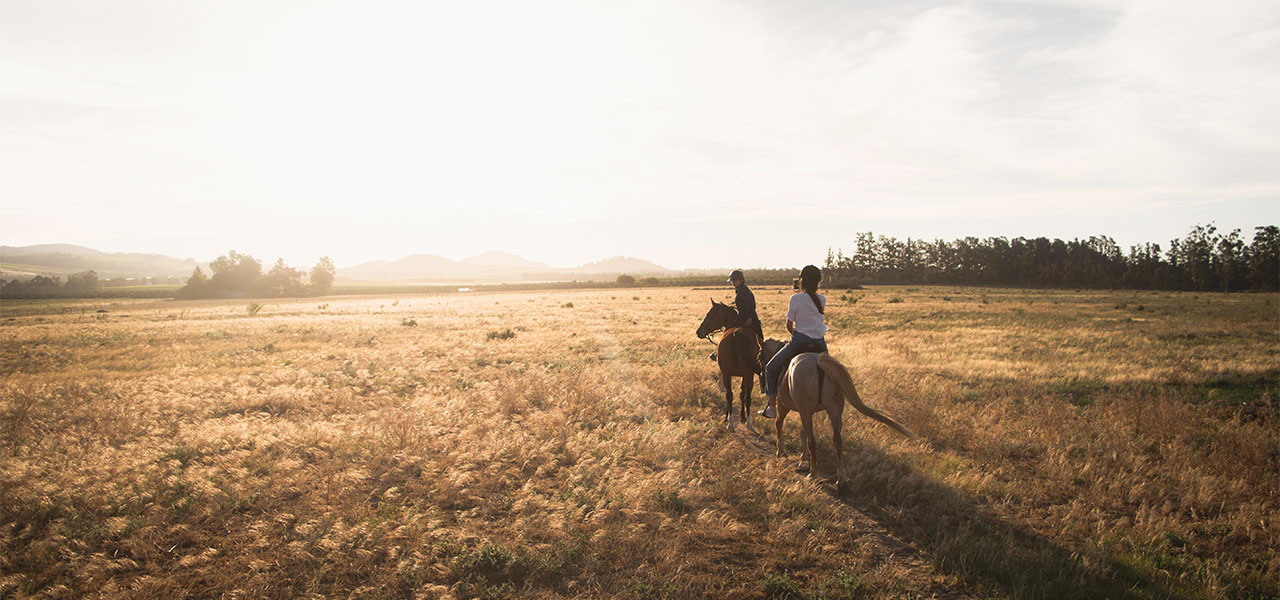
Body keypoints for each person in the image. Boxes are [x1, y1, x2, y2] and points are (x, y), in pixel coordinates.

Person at [759, 265, 828, 418]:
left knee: (771, 368)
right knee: (832, 370)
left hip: (799, 341)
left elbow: (789, 325)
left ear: (801, 281)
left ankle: (771, 407)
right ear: (818, 282)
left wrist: (796, 335)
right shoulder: (822, 299)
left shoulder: (795, 298)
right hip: (819, 342)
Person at [727, 269, 764, 371]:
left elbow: (750, 307)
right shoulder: (741, 291)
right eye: (732, 281)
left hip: (749, 319)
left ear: (741, 280)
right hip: (744, 318)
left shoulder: (744, 292)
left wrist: (749, 319)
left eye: (735, 280)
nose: (733, 283)